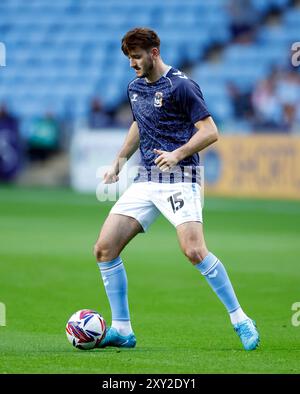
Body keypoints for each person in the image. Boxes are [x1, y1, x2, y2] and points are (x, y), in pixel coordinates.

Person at [94, 28, 260, 351]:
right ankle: (123, 329)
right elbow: (139, 124)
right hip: (147, 180)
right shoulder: (135, 88)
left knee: (194, 250)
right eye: (129, 58)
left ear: (154, 53)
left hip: (181, 178)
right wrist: (119, 160)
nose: (132, 63)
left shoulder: (181, 86)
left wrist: (178, 153)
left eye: (137, 57)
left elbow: (211, 131)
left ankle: (241, 319)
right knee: (104, 248)